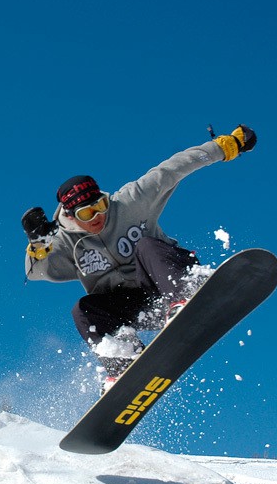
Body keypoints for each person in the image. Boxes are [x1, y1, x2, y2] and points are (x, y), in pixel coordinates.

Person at [21, 125, 256, 395]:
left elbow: (173, 168)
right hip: (137, 309)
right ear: (71, 217)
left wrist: (227, 146)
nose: (97, 217)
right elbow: (36, 273)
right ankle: (123, 362)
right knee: (83, 309)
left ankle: (188, 295)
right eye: (87, 214)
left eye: (100, 206)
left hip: (166, 282)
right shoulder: (64, 244)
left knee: (145, 245)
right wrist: (38, 246)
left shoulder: (131, 202)